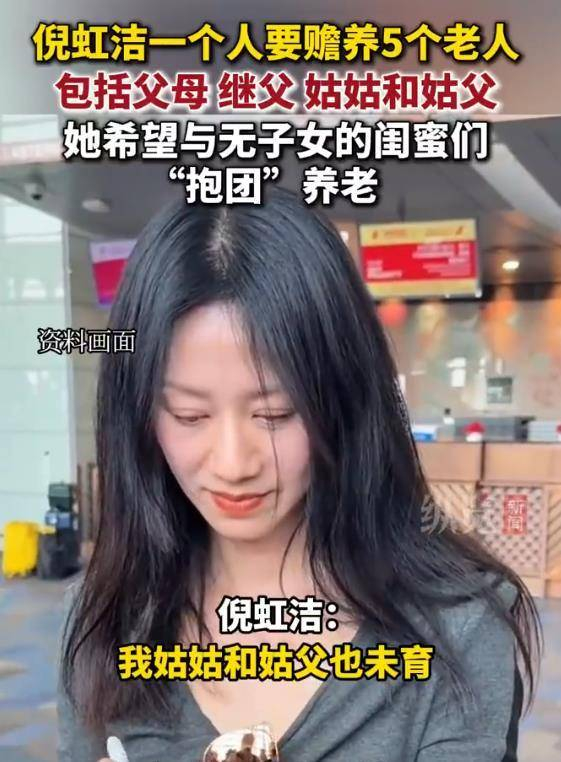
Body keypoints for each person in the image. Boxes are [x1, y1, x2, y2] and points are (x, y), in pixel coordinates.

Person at [57, 187, 542, 762]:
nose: (234, 464)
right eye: (189, 415)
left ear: (343, 400)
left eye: (275, 414)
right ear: (139, 413)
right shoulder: (100, 620)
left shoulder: (456, 630)